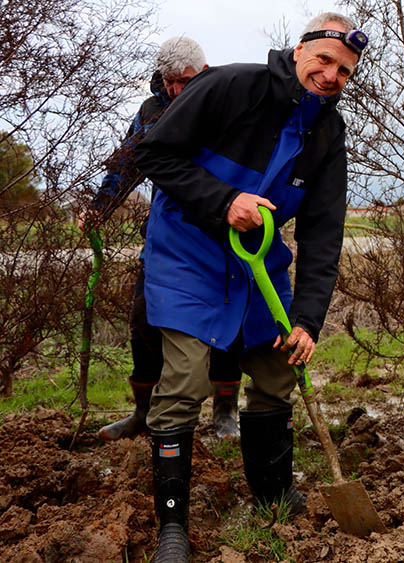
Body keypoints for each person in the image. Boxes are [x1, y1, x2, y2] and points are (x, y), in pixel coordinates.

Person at [134, 13, 364, 561]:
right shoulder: (233, 85)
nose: (332, 76)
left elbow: (323, 234)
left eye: (345, 71)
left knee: (277, 368)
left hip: (258, 262)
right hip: (188, 250)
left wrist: (307, 318)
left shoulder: (328, 135)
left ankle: (273, 494)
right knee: (187, 379)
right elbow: (152, 153)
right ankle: (172, 527)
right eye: (325, 60)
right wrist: (223, 200)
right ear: (300, 47)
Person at [78, 37, 245, 443]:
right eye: (169, 81)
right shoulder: (151, 112)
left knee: (226, 324)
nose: (175, 90)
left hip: (220, 236)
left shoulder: (226, 105)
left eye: (184, 81)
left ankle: (225, 412)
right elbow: (125, 165)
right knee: (144, 321)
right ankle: (142, 413)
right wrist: (101, 206)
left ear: (203, 74)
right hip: (164, 238)